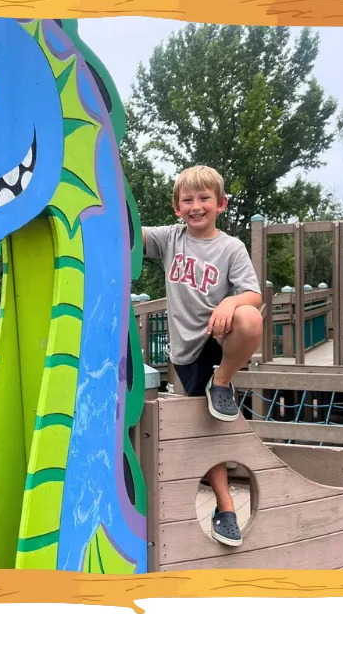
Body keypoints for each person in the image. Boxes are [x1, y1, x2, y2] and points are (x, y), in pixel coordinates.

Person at [142, 165, 263, 547]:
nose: (196, 206)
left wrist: (230, 301)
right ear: (176, 207)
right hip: (187, 351)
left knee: (249, 317)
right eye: (187, 200)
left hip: (221, 338)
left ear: (221, 204)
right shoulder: (170, 239)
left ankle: (221, 382)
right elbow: (128, 230)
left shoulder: (231, 248)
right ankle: (224, 506)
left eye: (204, 198)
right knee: (206, 426)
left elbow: (254, 295)